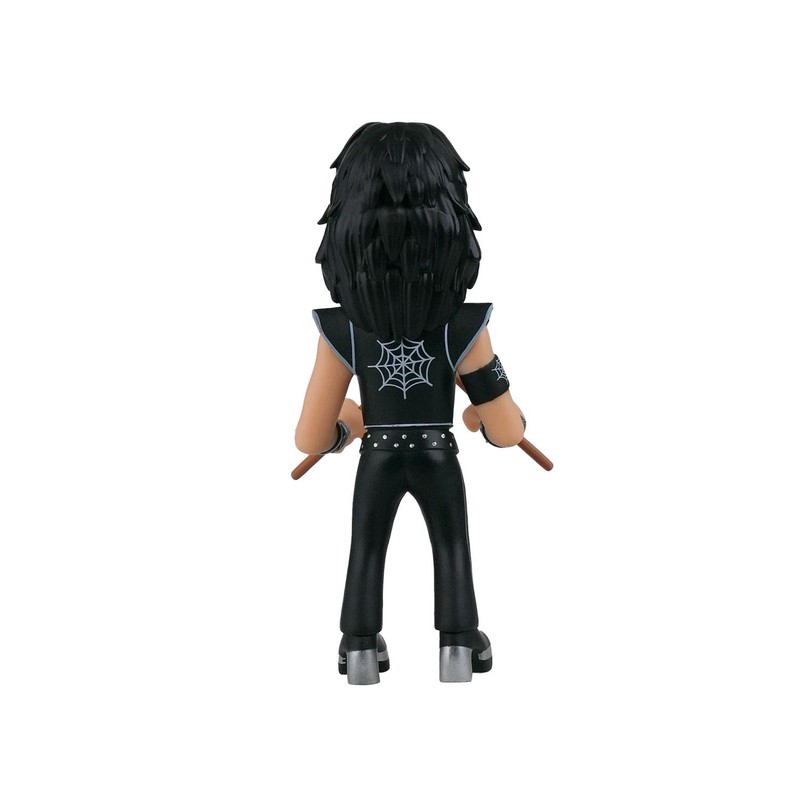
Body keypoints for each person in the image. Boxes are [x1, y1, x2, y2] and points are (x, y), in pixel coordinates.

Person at [295, 122, 526, 683]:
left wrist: (347, 424)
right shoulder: (463, 326)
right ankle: (458, 642)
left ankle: (358, 644)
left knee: (366, 547)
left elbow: (309, 437)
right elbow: (507, 430)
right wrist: (481, 417)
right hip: (437, 452)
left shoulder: (344, 330)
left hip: (376, 455)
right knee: (451, 544)